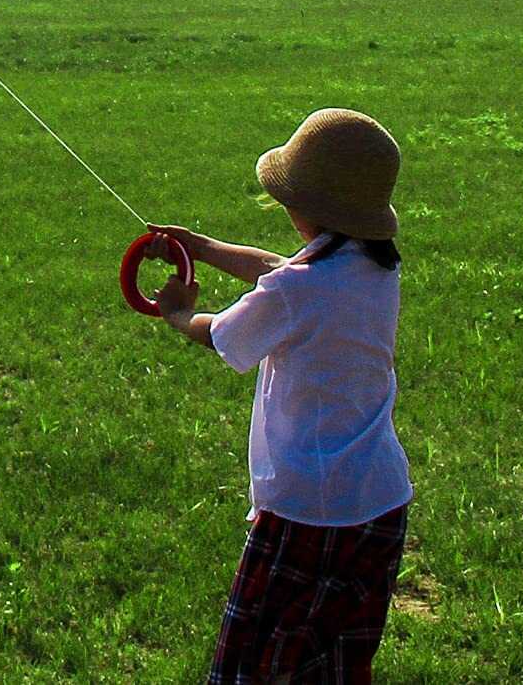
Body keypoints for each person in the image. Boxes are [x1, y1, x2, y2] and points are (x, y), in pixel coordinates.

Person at [151, 108, 411, 685]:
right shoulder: (371, 267)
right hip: (379, 503)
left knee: (256, 663)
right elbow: (276, 269)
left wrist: (177, 314)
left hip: (307, 513)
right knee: (337, 663)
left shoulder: (299, 289)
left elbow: (223, 334)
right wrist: (200, 245)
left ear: (310, 206)